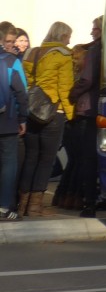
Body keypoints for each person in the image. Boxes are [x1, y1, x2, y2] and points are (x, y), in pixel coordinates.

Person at [16, 21, 74, 217]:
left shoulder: (32, 53)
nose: (69, 41)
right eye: (68, 37)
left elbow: (26, 82)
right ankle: (35, 207)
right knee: (46, 160)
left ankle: (22, 204)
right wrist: (70, 114)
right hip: (54, 113)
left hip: (32, 111)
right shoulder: (64, 55)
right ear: (63, 36)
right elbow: (65, 88)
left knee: (31, 157)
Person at [59, 17, 102, 215]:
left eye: (95, 29)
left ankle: (87, 201)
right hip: (103, 109)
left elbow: (87, 80)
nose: (92, 32)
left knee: (84, 158)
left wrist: (72, 94)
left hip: (86, 110)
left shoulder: (93, 51)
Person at [0, 42, 29, 220]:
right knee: (8, 164)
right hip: (7, 122)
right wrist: (22, 118)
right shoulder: (12, 61)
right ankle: (4, 207)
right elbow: (21, 92)